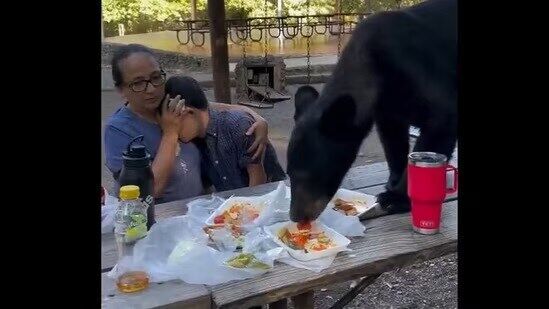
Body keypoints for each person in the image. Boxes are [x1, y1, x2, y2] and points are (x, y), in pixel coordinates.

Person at [104, 44, 270, 203]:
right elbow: (151, 190)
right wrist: (170, 134)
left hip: (200, 212)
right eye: (138, 83)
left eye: (155, 77)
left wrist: (256, 118)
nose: (151, 89)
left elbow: (204, 107)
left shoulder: (168, 103)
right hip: (159, 219)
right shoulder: (119, 130)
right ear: (121, 90)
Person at [164, 75, 286, 192]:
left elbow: (258, 180)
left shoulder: (238, 126)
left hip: (270, 200)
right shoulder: (194, 141)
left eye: (174, 122)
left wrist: (244, 211)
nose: (172, 129)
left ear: (188, 112)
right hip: (232, 205)